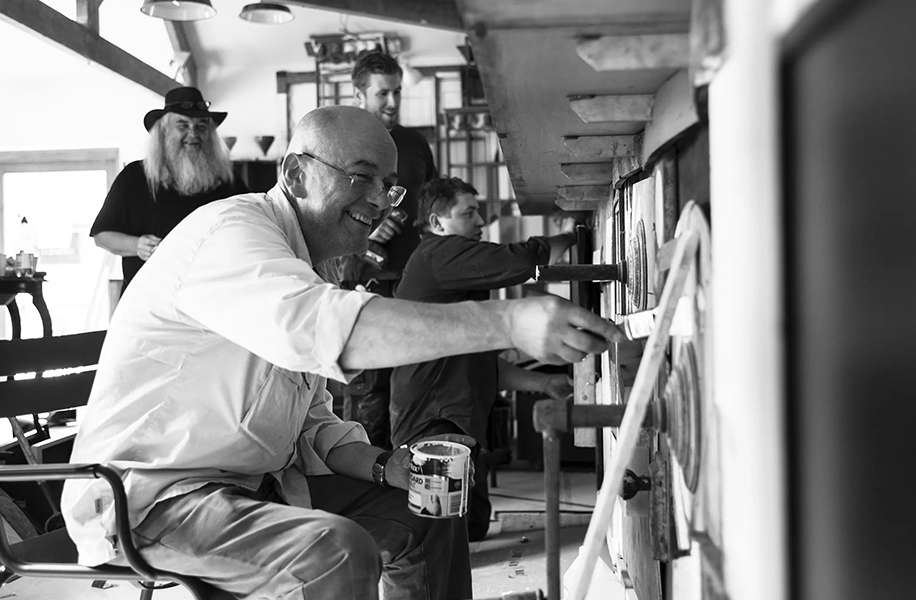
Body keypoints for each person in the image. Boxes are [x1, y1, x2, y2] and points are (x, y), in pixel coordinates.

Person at [61, 105, 625, 600]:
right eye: (362, 177)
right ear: (295, 173)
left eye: (389, 186)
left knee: (430, 510)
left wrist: (385, 465)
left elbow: (310, 423)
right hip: (153, 498)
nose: (380, 201)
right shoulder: (231, 232)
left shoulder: (298, 262)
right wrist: (510, 319)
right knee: (333, 552)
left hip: (255, 482)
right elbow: (318, 330)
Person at [390, 177, 578, 542]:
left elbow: (477, 362)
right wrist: (572, 235)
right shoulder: (437, 256)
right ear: (436, 223)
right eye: (469, 213)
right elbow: (524, 258)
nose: (480, 223)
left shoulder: (454, 278)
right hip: (434, 423)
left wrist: (542, 383)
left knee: (472, 528)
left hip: (456, 422)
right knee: (439, 536)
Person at [340, 50, 439, 449]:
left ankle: (406, 494)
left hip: (414, 280)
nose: (393, 102)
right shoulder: (340, 140)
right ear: (359, 93)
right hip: (362, 284)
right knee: (370, 398)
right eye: (383, 94)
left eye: (397, 91)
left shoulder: (415, 143)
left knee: (417, 391)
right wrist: (367, 234)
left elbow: (432, 202)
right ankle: (366, 489)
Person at [89, 86, 248, 290]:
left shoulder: (227, 180)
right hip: (148, 304)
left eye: (201, 127)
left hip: (211, 302)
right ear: (164, 131)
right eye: (183, 125)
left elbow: (251, 225)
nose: (193, 133)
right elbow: (102, 235)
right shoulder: (134, 177)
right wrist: (137, 246)